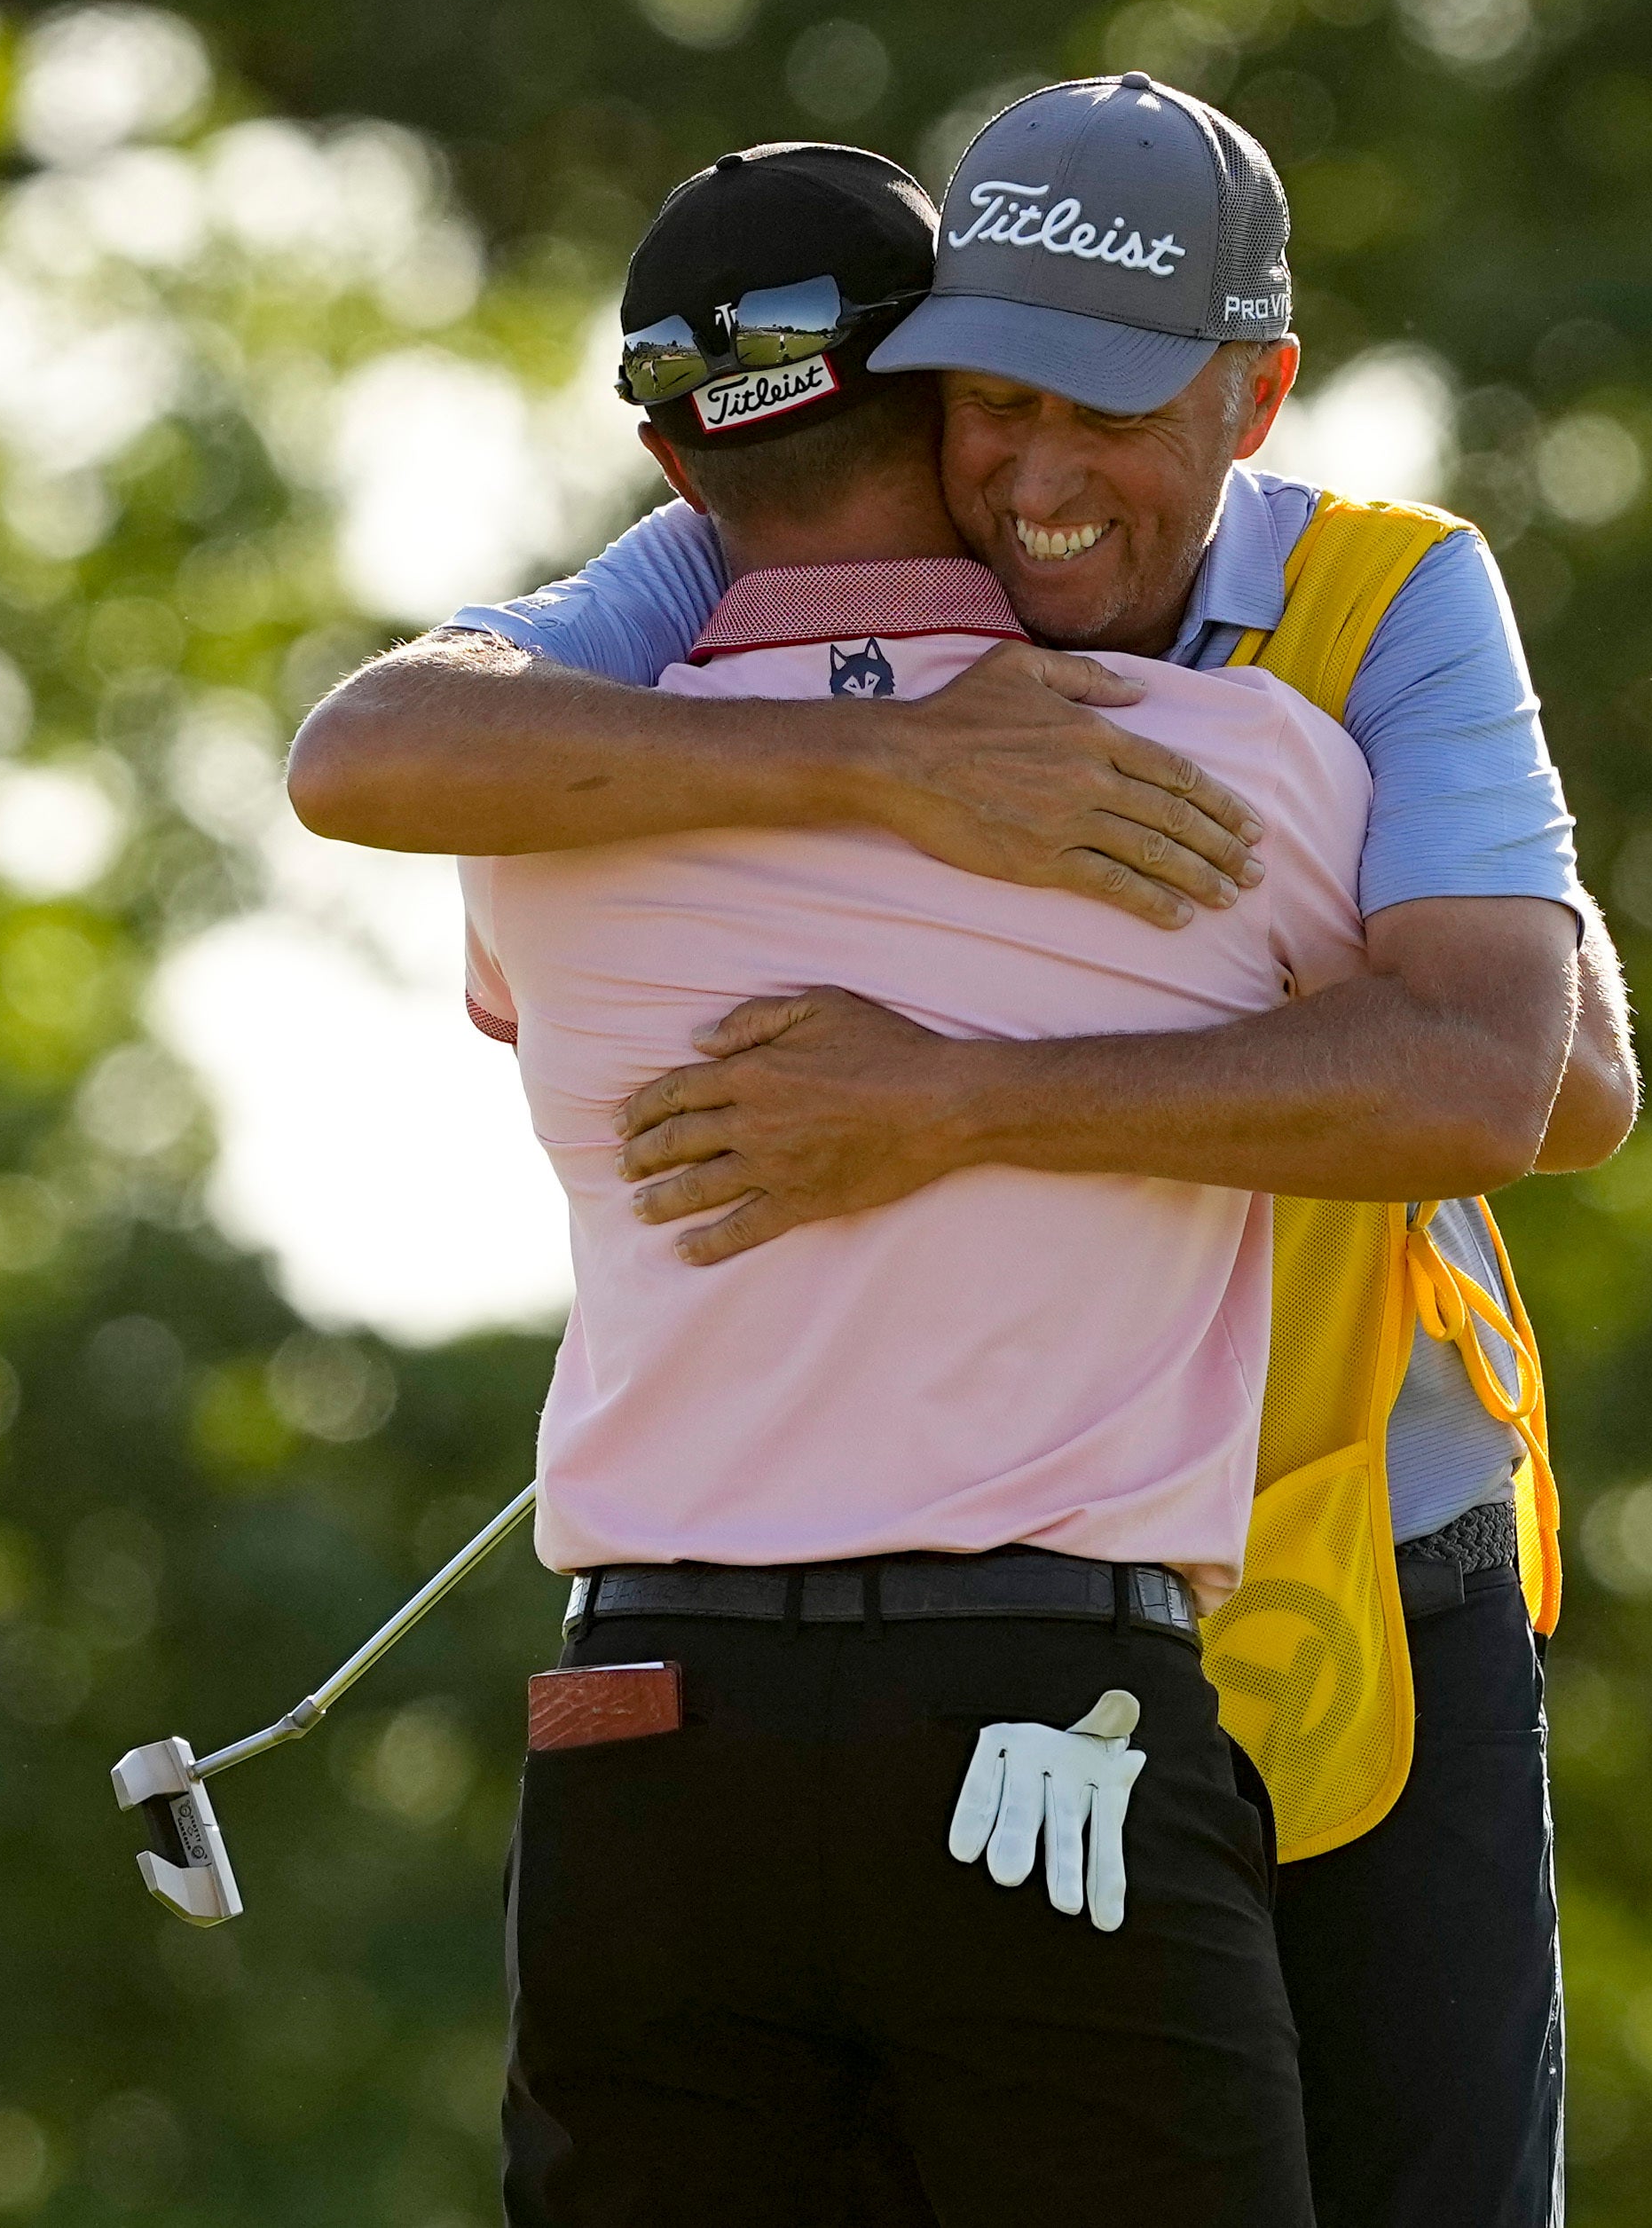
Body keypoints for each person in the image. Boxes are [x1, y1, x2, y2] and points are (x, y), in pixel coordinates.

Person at [294, 78, 1636, 2227]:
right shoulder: (744, 570)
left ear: (1253, 399)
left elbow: (1536, 1090)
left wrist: (955, 1097)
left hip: (1374, 1542)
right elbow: (367, 749)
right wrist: (888, 761)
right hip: (1041, 1614)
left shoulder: (1387, 603)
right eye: (987, 402)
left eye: (1105, 415)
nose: (1030, 476)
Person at [472, 142, 1365, 2225]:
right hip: (1040, 1720)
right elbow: (1528, 1069)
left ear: (681, 478)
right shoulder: (1246, 772)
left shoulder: (526, 836)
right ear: (957, 415)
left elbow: (507, 975)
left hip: (641, 1738)